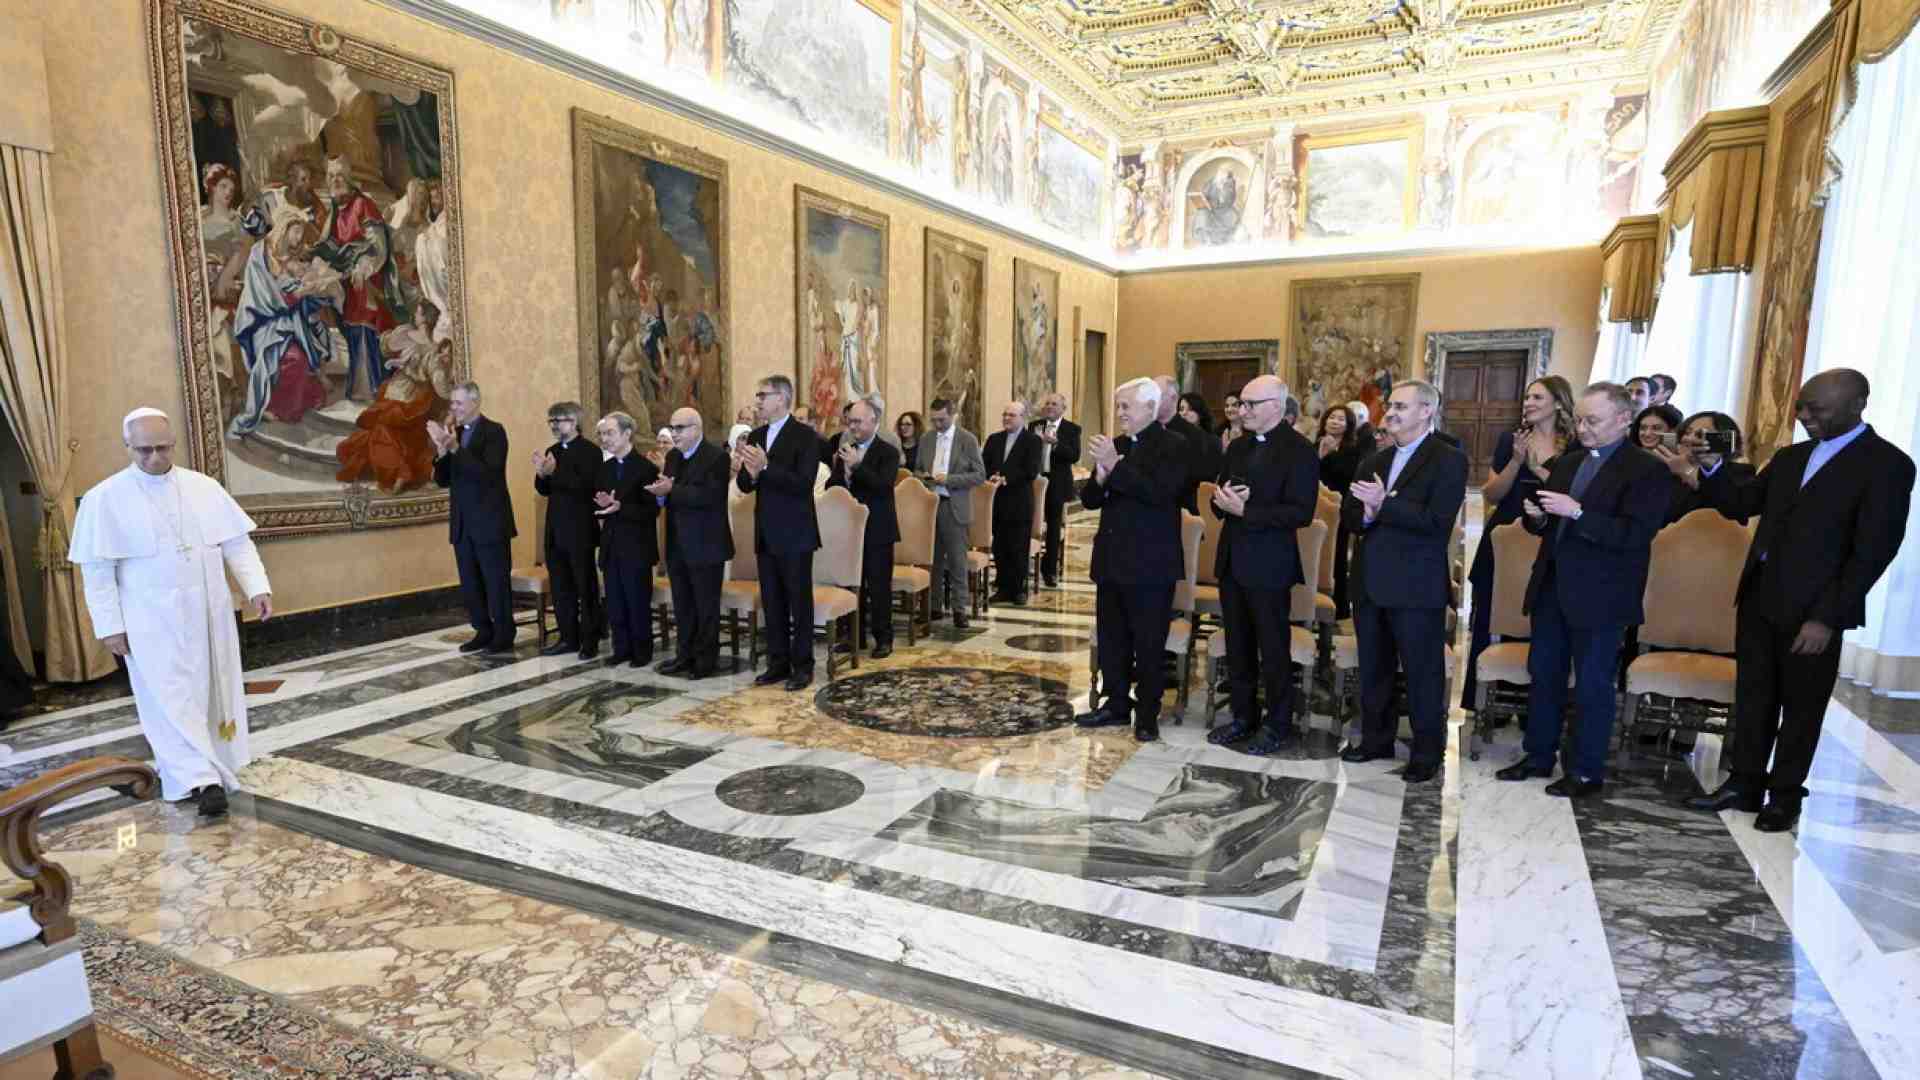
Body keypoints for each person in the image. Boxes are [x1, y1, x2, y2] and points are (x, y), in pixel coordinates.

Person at [1680, 369, 1914, 831]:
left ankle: (1785, 796)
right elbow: (1742, 504)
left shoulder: (1888, 464)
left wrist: (1827, 617)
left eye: (1817, 409)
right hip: (1760, 596)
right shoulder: (1791, 456)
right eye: (1801, 407)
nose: (1805, 416)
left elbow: (1873, 552)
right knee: (1754, 697)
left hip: (1815, 611)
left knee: (1802, 708)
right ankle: (1744, 783)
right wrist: (1711, 468)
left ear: (1857, 404)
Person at [69, 408, 273, 818]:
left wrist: (257, 587)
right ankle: (201, 779)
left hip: (209, 613)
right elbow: (97, 574)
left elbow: (237, 544)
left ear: (173, 444)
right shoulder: (104, 499)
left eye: (162, 448)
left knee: (210, 692)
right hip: (149, 620)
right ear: (127, 447)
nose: (154, 457)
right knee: (168, 698)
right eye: (143, 450)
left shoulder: (204, 488)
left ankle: (211, 766)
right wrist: (109, 627)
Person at [1499, 382, 1670, 798]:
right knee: (1545, 676)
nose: (1582, 428)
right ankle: (1538, 756)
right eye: (1578, 420)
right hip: (1552, 587)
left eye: (1592, 420)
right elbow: (1550, 528)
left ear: (1624, 419)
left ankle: (1586, 771)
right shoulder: (1570, 461)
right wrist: (1538, 518)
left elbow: (1634, 534)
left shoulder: (1646, 470)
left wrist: (1576, 512)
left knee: (1593, 685)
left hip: (1602, 595)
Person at [1338, 380, 1467, 784]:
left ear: (1426, 411)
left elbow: (1436, 522)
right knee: (1374, 667)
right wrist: (1367, 514)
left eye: (1400, 407)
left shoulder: (1448, 459)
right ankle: (1376, 740)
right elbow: (1350, 516)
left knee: (1422, 672)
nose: (1390, 413)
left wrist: (1383, 505)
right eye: (1390, 406)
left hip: (1415, 584)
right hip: (1370, 580)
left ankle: (1427, 753)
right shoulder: (1374, 460)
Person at [1207, 375, 1319, 754]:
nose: (1242, 411)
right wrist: (1222, 501)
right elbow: (1221, 493)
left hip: (1270, 563)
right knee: (1237, 644)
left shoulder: (1299, 450)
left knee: (1272, 648)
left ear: (1276, 406)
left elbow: (1301, 512)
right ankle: (1243, 717)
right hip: (1232, 559)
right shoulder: (1238, 446)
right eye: (1241, 403)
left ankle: (1278, 723)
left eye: (1250, 404)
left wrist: (1247, 511)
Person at [1076, 378, 1188, 743]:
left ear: (1150, 408)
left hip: (1150, 564)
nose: (1120, 413)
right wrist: (1100, 476)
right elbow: (1091, 500)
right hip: (1111, 559)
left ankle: (1147, 714)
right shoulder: (1119, 445)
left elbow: (1159, 494)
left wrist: (1115, 467)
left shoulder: (1174, 446)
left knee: (1148, 642)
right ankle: (1116, 704)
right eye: (1118, 406)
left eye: (1126, 406)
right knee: (1113, 639)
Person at [1461, 376, 1574, 708]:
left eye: (1537, 398)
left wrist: (1537, 469)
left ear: (1558, 403)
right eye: (1527, 398)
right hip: (1505, 530)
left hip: (1551, 535)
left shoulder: (1575, 444)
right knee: (1492, 611)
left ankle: (1533, 705)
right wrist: (1515, 460)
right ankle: (1485, 704)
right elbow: (1492, 494)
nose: (1529, 403)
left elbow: (1574, 494)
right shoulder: (1511, 439)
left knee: (1543, 616)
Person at [736, 374, 824, 690]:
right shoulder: (756, 435)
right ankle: (777, 663)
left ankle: (803, 666)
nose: (758, 401)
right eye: (758, 395)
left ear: (782, 398)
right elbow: (745, 484)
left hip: (796, 533)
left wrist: (766, 467)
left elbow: (803, 484)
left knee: (799, 602)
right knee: (772, 602)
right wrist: (750, 473)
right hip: (765, 531)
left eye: (763, 395)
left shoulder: (805, 436)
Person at [428, 383, 517, 653]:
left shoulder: (494, 432)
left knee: (495, 582)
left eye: (458, 403)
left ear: (475, 402)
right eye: (452, 403)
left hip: (490, 522)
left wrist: (456, 448)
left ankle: (504, 633)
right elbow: (443, 480)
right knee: (471, 583)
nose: (453, 408)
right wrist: (442, 451)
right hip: (462, 524)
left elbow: (488, 473)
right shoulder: (453, 434)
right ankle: (482, 630)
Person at [651, 407, 732, 678]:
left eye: (680, 428)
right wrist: (660, 495)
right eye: (672, 428)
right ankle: (684, 656)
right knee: (683, 605)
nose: (674, 434)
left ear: (696, 429)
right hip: (678, 544)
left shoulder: (717, 457)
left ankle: (705, 662)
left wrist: (671, 490)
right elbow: (669, 494)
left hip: (706, 544)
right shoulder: (673, 456)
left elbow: (709, 496)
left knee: (705, 607)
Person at [827, 397, 902, 658]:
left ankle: (883, 638)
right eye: (850, 422)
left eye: (858, 422)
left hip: (878, 529)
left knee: (878, 587)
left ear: (874, 421)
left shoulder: (888, 452)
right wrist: (844, 476)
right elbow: (832, 487)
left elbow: (883, 486)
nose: (852, 427)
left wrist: (857, 467)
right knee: (850, 585)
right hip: (848, 530)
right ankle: (854, 638)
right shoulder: (846, 449)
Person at [532, 401, 602, 659]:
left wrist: (555, 472)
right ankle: (568, 638)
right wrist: (542, 475)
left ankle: (590, 640)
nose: (553, 425)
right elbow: (544, 490)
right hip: (555, 530)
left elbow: (587, 487)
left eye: (558, 420)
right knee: (561, 588)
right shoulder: (551, 451)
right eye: (551, 420)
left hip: (580, 529)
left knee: (585, 587)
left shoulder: (591, 451)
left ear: (574, 422)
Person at [593, 412, 660, 668]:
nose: (605, 439)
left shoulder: (646, 468)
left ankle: (641, 651)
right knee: (615, 602)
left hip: (637, 546)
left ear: (627, 433)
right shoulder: (604, 468)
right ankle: (621, 649)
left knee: (636, 601)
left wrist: (621, 507)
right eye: (602, 434)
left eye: (610, 433)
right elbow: (599, 502)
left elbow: (651, 511)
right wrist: (602, 505)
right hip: (611, 544)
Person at [915, 398, 985, 628]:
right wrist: (924, 477)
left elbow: (979, 475)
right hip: (930, 504)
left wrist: (950, 480)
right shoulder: (926, 439)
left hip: (953, 505)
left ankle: (959, 609)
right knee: (931, 560)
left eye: (942, 420)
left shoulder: (967, 440)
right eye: (933, 420)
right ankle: (933, 607)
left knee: (957, 560)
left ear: (953, 415)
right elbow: (917, 470)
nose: (937, 424)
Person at [983, 401, 1042, 604]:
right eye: (1005, 414)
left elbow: (1031, 470)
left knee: (1018, 547)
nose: (1006, 418)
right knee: (1000, 547)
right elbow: (984, 464)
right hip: (996, 502)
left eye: (1012, 415)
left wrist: (1006, 478)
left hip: (1019, 502)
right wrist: (992, 476)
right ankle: (1003, 587)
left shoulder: (1032, 441)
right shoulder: (994, 439)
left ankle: (1018, 589)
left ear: (1023, 418)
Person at [1314, 404, 1370, 619]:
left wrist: (1330, 455)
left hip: (1339, 509)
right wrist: (1320, 454)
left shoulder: (1352, 450)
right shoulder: (1314, 444)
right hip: (1313, 509)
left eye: (1340, 419)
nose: (1335, 422)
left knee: (1335, 555)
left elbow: (1347, 476)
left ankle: (1338, 606)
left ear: (1348, 425)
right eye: (1331, 417)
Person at [1657, 412, 1756, 524]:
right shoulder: (1667, 470)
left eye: (1700, 435)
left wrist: (1689, 472)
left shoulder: (1740, 472)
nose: (1689, 439)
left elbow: (1732, 517)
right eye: (1687, 432)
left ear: (1722, 442)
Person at [1031, 392, 1081, 588]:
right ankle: (1026, 564)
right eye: (1048, 403)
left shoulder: (1072, 429)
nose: (1049, 407)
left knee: (1053, 527)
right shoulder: (1034, 426)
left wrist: (1055, 444)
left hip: (1057, 483)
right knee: (1030, 523)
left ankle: (1049, 570)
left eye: (1054, 404)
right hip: (1036, 481)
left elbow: (1074, 455)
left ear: (1063, 408)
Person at [1157, 376, 1207, 513]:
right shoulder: (1146, 429)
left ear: (1173, 397)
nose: (1152, 400)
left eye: (1158, 395)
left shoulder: (1193, 434)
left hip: (1180, 508)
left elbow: (1195, 475)